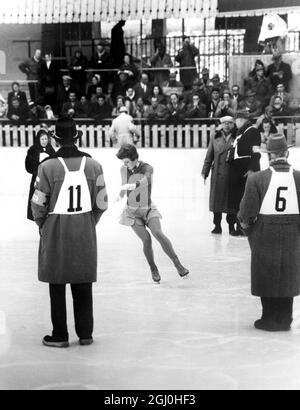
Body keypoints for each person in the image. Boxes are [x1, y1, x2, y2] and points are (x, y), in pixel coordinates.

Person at [31, 117, 108, 347]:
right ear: (77, 137)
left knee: (57, 281)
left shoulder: (46, 167)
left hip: (55, 228)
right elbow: (102, 203)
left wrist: (42, 225)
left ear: (54, 139)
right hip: (84, 227)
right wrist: (89, 221)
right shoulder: (94, 166)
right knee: (82, 281)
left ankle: (60, 335)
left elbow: (37, 204)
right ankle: (85, 334)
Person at [239, 134, 300, 332]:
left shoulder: (257, 179)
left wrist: (250, 232)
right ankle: (285, 318)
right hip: (293, 232)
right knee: (288, 272)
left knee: (266, 273)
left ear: (269, 156)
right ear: (287, 153)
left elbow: (247, 213)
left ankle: (268, 318)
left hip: (265, 232)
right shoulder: (299, 177)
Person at [116, 144, 189, 283]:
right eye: (123, 162)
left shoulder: (147, 167)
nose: (125, 164)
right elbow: (123, 185)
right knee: (147, 239)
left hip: (148, 208)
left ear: (134, 158)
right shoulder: (123, 169)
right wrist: (119, 195)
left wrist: (134, 185)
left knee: (158, 233)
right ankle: (153, 268)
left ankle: (178, 264)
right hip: (132, 212)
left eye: (127, 161)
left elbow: (146, 180)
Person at [227, 110, 261, 235]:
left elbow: (256, 153)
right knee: (237, 199)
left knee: (246, 199)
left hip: (246, 169)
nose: (235, 123)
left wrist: (252, 169)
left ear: (241, 119)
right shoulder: (239, 133)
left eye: (235, 120)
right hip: (236, 169)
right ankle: (238, 226)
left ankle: (245, 226)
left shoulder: (253, 131)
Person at [202, 116, 237, 234]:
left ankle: (232, 226)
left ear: (233, 124)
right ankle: (217, 225)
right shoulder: (215, 137)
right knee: (217, 202)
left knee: (231, 202)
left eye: (230, 123)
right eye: (224, 123)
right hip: (218, 174)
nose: (227, 125)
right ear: (221, 125)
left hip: (232, 174)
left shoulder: (237, 137)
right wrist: (205, 171)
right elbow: (209, 155)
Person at [25, 126, 55, 221]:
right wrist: (38, 166)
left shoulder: (50, 149)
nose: (44, 141)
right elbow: (28, 166)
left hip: (48, 179)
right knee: (37, 198)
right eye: (42, 139)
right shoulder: (33, 150)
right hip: (37, 179)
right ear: (38, 139)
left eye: (46, 139)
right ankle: (35, 215)